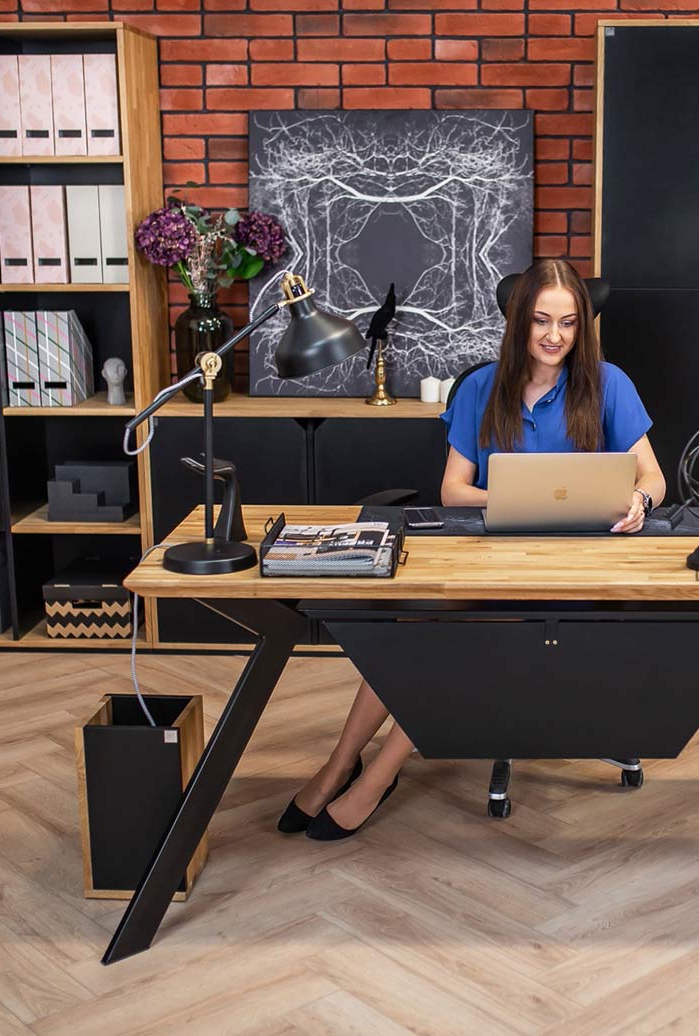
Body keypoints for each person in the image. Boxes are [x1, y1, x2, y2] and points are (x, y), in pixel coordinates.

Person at [282, 258, 666, 840]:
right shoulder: (481, 387)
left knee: (448, 637)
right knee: (409, 630)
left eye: (567, 323)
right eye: (540, 321)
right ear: (518, 322)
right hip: (491, 556)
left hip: (579, 570)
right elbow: (452, 489)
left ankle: (378, 774)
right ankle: (341, 762)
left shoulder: (609, 383)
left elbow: (655, 479)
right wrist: (511, 498)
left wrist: (639, 499)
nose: (554, 336)